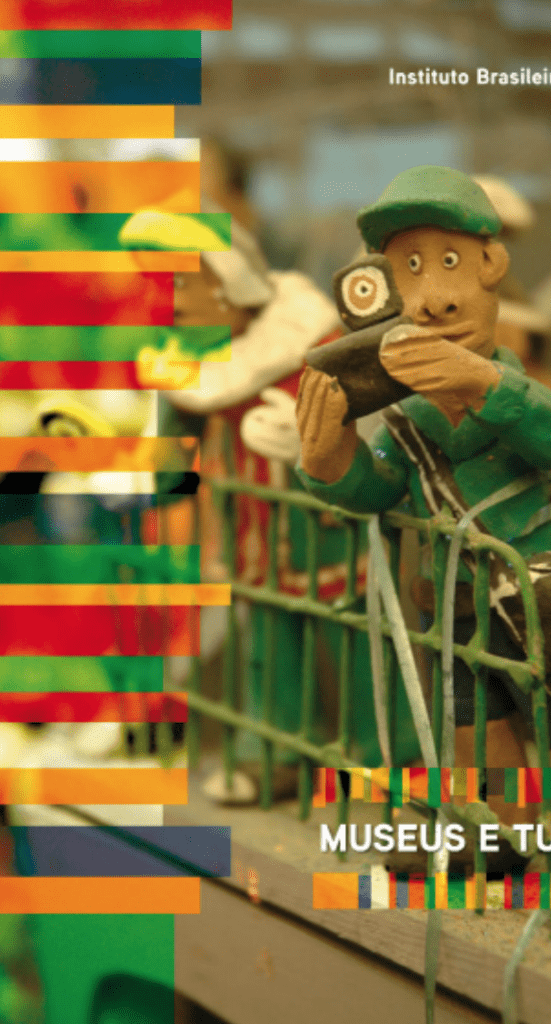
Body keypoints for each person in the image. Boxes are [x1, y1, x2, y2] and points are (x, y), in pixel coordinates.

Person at [296, 165, 551, 870]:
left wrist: (484, 385)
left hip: (540, 588)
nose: (432, 298)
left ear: (491, 265)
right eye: (410, 270)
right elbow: (380, 489)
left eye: (449, 263)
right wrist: (330, 460)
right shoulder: (407, 417)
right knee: (475, 725)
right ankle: (498, 829)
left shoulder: (514, 385)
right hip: (457, 602)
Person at [120, 202, 421, 800]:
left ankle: (394, 754)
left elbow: (378, 415)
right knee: (266, 640)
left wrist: (320, 433)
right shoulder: (191, 359)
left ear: (229, 283)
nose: (170, 300)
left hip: (325, 521)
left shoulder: (309, 338)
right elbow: (174, 449)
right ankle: (277, 751)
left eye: (181, 282)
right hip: (251, 522)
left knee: (354, 636)